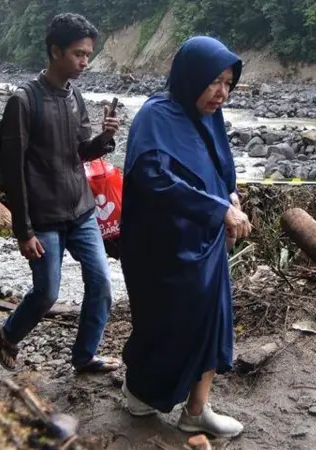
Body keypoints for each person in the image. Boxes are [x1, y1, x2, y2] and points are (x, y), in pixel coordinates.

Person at [119, 36, 252, 438]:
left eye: (229, 83)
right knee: (162, 325)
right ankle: (140, 388)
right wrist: (218, 210)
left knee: (211, 318)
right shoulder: (155, 117)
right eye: (215, 81)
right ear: (191, 76)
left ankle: (197, 409)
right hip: (160, 247)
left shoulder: (208, 116)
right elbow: (154, 178)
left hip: (204, 240)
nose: (221, 93)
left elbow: (218, 168)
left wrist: (230, 197)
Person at [0, 13, 120, 373]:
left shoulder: (75, 96)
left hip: (80, 210)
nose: (85, 61)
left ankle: (84, 356)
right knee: (47, 293)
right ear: (54, 51)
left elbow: (83, 152)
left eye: (87, 54)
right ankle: (9, 333)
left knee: (101, 284)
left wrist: (105, 138)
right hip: (44, 217)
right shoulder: (23, 101)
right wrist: (24, 230)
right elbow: (14, 171)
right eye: (78, 54)